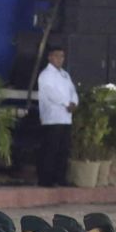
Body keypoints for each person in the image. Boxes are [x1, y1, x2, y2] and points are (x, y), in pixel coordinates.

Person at [34, 44, 77, 188]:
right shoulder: (45, 75)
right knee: (50, 149)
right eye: (57, 56)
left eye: (62, 56)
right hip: (52, 118)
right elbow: (51, 93)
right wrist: (66, 103)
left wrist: (74, 102)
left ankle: (60, 178)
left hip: (66, 118)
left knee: (63, 150)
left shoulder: (65, 74)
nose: (60, 59)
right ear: (50, 57)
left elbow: (72, 91)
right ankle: (46, 180)